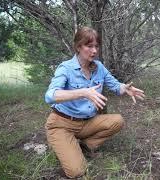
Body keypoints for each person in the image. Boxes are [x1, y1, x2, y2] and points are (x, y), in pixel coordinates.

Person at [44, 26, 145, 178]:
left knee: (117, 121)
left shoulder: (99, 67)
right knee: (77, 171)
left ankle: (84, 145)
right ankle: (63, 143)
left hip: (86, 123)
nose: (94, 51)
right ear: (78, 47)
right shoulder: (66, 68)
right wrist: (83, 92)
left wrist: (125, 88)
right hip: (62, 124)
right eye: (89, 46)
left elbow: (115, 85)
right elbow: (50, 95)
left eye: (96, 46)